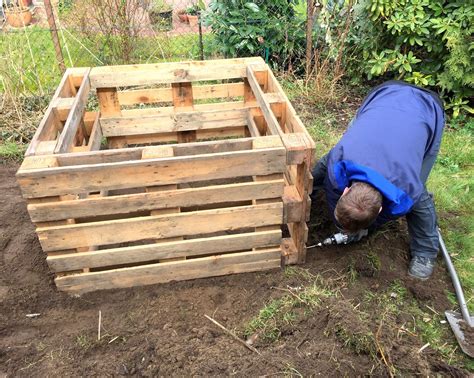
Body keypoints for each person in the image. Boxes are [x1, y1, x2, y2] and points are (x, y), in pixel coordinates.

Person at [312, 81, 445, 280]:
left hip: (427, 111)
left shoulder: (404, 190)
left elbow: (385, 215)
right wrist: (347, 224)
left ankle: (425, 253)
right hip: (384, 97)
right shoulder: (339, 161)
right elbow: (333, 192)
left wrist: (366, 227)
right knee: (328, 162)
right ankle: (308, 189)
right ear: (346, 191)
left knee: (418, 196)